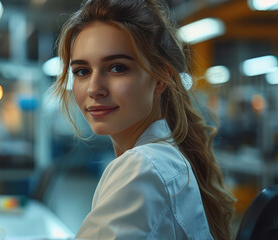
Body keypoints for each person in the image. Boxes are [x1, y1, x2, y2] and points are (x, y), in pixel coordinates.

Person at [52, 0, 236, 239]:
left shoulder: (142, 169)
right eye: (82, 71)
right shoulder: (164, 159)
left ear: (160, 78)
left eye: (117, 68)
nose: (94, 89)